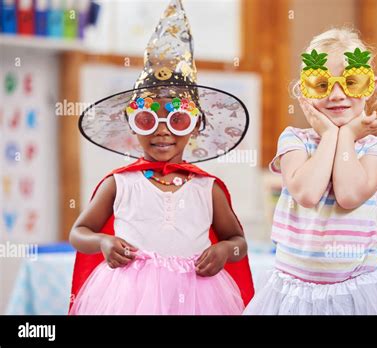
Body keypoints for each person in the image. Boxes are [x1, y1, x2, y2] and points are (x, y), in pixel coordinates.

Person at [68, 0, 254, 315]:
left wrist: (224, 249)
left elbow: (238, 242)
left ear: (194, 127)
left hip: (199, 296)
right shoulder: (119, 183)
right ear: (133, 125)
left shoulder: (208, 188)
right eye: (148, 120)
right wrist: (102, 243)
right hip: (129, 298)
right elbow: (78, 232)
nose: (163, 132)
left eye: (178, 120)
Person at [244, 28, 377, 315]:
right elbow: (307, 193)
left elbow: (350, 194)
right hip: (293, 293)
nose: (337, 95)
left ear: (370, 86)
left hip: (355, 291)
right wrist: (329, 136)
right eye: (322, 84)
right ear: (304, 91)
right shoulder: (294, 140)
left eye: (351, 82)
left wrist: (348, 135)